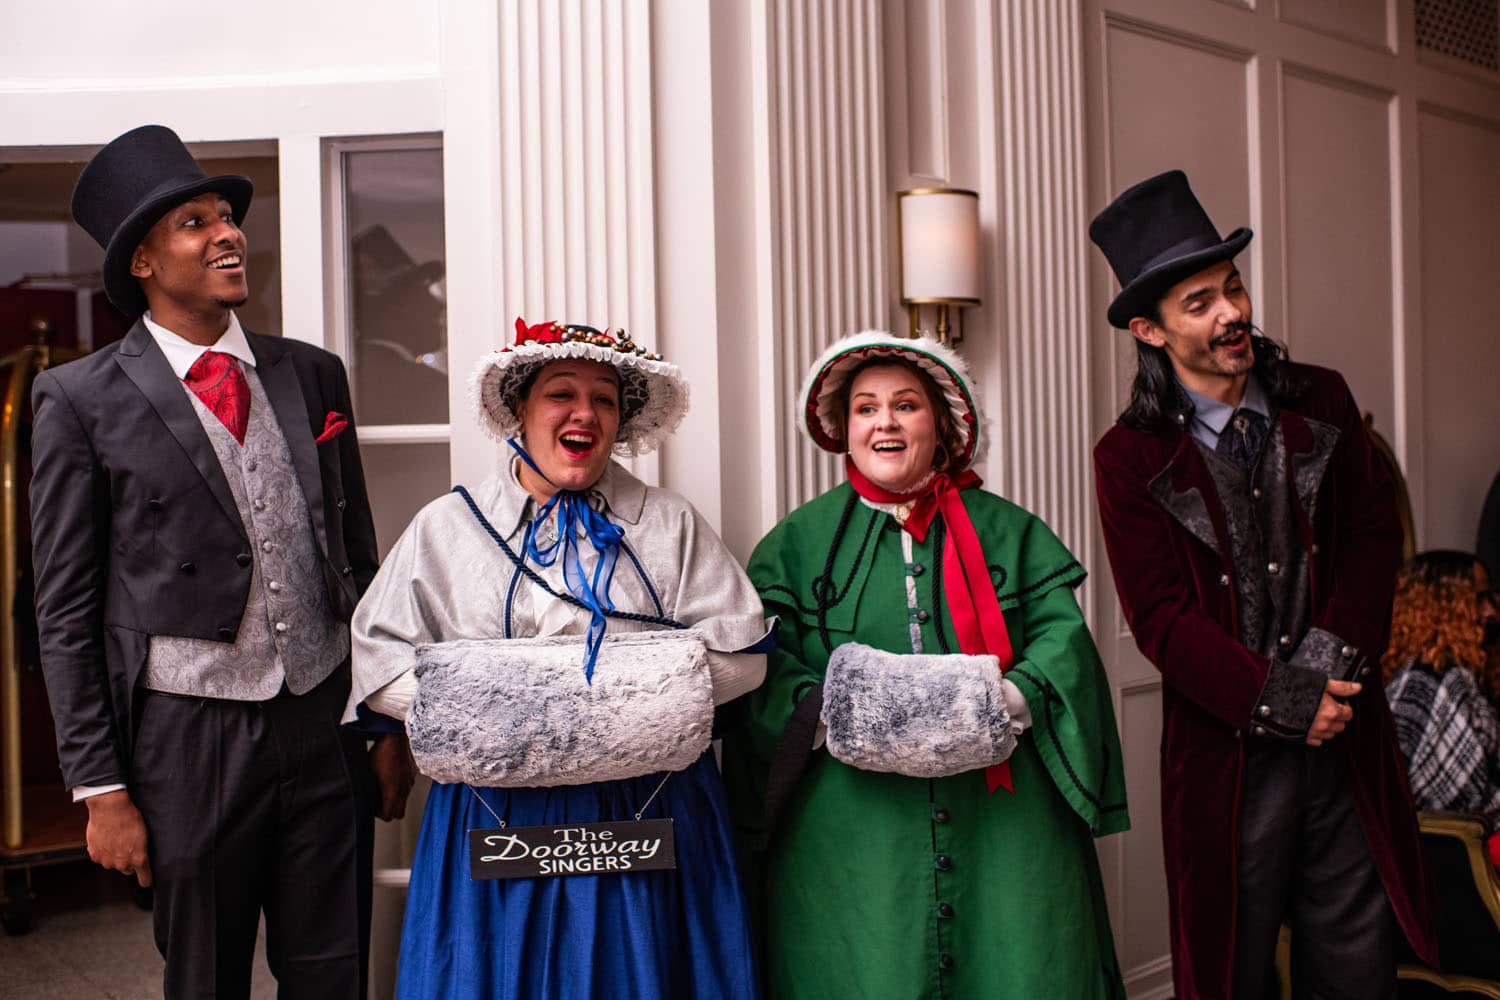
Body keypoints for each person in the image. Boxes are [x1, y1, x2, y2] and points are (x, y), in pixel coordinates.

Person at [31, 124, 410, 999]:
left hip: (323, 717)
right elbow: (63, 610)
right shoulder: (78, 399)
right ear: (143, 263)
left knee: (333, 968)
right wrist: (100, 789)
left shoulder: (313, 375)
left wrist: (383, 722)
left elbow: (359, 561)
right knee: (204, 973)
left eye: (228, 216)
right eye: (195, 222)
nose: (228, 232)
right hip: (186, 734)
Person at [1089, 169, 1437, 998]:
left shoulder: (1323, 398)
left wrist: (1322, 684)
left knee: (1358, 972)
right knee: (1231, 975)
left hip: (1346, 741)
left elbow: (1371, 538)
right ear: (1150, 330)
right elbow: (1164, 622)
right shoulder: (1127, 458)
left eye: (1232, 289)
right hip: (1226, 762)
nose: (1232, 313)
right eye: (1200, 304)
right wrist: (1281, 701)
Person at [348, 318, 770, 1000]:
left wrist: (624, 715)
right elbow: (377, 661)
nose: (585, 412)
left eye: (604, 398)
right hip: (495, 809)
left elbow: (746, 656)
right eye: (561, 394)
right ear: (520, 409)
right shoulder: (447, 527)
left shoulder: (669, 522)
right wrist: (498, 718)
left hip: (645, 800)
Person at [721, 331, 1129, 998]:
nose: (885, 421)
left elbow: (1065, 646)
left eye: (905, 405)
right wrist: (847, 715)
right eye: (866, 408)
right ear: (842, 429)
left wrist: (1005, 701)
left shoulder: (1011, 531)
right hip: (850, 824)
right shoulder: (795, 544)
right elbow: (764, 668)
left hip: (1004, 820)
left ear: (941, 423)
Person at [1383, 550, 1500, 866]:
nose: (1491, 611)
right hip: (1448, 858)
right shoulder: (1423, 683)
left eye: (1492, 597)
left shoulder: (1466, 675)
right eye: (1478, 599)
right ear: (1439, 607)